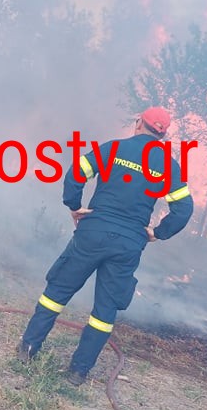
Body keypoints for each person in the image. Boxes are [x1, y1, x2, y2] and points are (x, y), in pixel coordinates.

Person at [18, 107, 194, 385]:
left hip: (93, 232)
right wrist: (158, 233)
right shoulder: (169, 166)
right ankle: (78, 372)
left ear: (139, 123)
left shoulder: (113, 149)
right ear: (163, 134)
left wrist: (74, 206)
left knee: (57, 292)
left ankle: (28, 348)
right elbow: (183, 210)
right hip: (128, 243)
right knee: (105, 311)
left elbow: (76, 172)